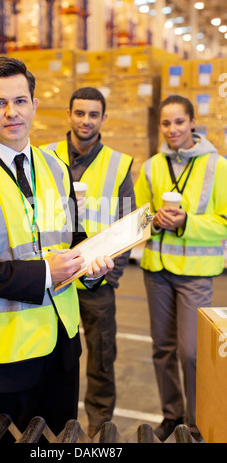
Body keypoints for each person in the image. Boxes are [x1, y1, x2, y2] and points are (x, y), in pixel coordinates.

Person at [0, 57, 114, 441]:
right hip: (4, 357)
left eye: (20, 100)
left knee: (57, 442)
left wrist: (91, 268)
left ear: (34, 104)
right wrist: (48, 272)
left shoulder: (56, 168)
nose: (12, 112)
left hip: (61, 347)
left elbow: (72, 239)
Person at [40, 87, 136, 438]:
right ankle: (53, 420)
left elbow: (127, 226)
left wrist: (111, 277)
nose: (85, 121)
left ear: (103, 119)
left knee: (100, 358)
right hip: (56, 277)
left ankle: (99, 425)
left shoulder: (118, 164)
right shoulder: (44, 156)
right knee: (56, 357)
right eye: (79, 113)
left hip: (98, 281)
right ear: (68, 114)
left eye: (93, 114)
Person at [134, 94, 227, 442]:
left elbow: (224, 221)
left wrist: (187, 221)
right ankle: (172, 416)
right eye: (166, 123)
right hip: (156, 270)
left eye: (179, 122)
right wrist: (153, 221)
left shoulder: (218, 166)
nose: (172, 129)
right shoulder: (152, 166)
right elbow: (140, 215)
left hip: (196, 273)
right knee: (163, 349)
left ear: (192, 123)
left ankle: (197, 422)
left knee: (191, 352)